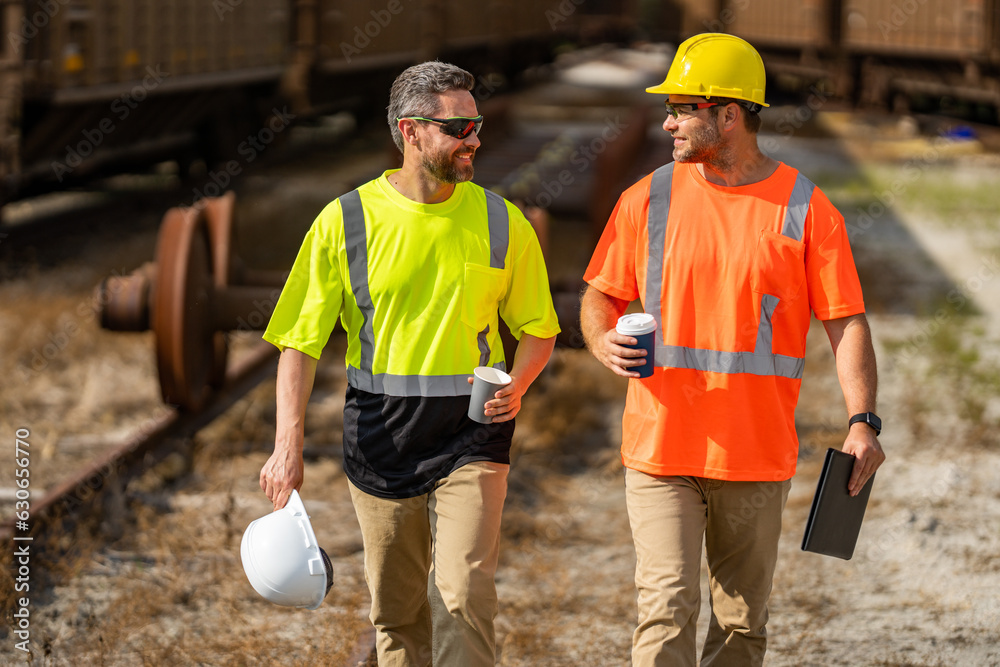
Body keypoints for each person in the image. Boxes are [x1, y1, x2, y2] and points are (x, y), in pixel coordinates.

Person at [580, 33, 885, 666]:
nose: (667, 122)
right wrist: (600, 338)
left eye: (682, 108)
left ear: (728, 115)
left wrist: (863, 421)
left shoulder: (806, 208)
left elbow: (846, 323)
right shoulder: (648, 198)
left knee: (742, 626)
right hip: (661, 449)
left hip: (754, 453)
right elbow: (599, 295)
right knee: (665, 608)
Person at [258, 61, 560, 666]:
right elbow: (300, 343)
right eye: (459, 128)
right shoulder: (344, 222)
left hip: (473, 432)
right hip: (380, 435)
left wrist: (519, 385)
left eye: (476, 126)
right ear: (411, 131)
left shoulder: (502, 222)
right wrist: (286, 444)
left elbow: (539, 330)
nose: (474, 138)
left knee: (464, 594)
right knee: (396, 613)